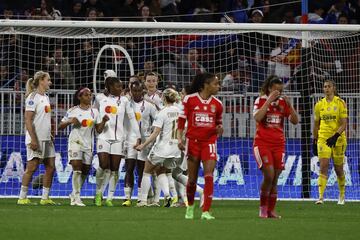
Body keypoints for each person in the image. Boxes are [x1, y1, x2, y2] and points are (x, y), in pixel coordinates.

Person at [177, 72, 223, 220]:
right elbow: (181, 121)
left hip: (209, 142)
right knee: (192, 180)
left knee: (209, 176)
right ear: (206, 85)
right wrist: (180, 139)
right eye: (215, 84)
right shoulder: (189, 100)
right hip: (193, 142)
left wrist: (219, 130)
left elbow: (218, 125)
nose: (218, 86)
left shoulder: (218, 104)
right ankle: (190, 207)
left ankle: (206, 211)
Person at [253, 75, 299, 218]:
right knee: (269, 175)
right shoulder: (260, 100)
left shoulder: (282, 103)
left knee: (275, 178)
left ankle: (271, 210)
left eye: (280, 90)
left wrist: (290, 106)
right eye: (276, 90)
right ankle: (262, 208)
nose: (278, 93)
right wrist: (268, 101)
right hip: (262, 143)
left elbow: (295, 121)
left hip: (279, 145)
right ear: (269, 89)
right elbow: (257, 118)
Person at [58, 87, 109, 206]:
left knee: (85, 170)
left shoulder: (95, 112)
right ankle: (76, 198)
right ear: (79, 97)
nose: (89, 97)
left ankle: (74, 193)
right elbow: (60, 126)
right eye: (86, 95)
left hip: (88, 144)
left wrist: (104, 121)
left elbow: (98, 130)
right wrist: (70, 121)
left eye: (90, 95)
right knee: (77, 167)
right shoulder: (73, 110)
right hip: (75, 142)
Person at [94, 77, 141, 207]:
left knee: (115, 169)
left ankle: (109, 197)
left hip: (118, 139)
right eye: (117, 87)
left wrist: (138, 136)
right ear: (109, 87)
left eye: (121, 87)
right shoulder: (99, 99)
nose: (120, 89)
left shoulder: (125, 101)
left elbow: (132, 118)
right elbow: (94, 115)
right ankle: (98, 193)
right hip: (103, 137)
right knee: (103, 165)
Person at [136, 88, 181, 207]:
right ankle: (167, 196)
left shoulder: (162, 112)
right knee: (162, 170)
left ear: (164, 98)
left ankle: (143, 201)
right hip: (176, 149)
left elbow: (155, 133)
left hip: (162, 148)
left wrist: (143, 145)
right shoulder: (180, 111)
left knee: (147, 170)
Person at [18, 71, 57, 205]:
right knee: (32, 167)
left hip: (46, 138)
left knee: (51, 167)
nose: (50, 82)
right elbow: (28, 120)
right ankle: (22, 197)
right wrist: (33, 139)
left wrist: (50, 133)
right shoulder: (32, 97)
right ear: (41, 80)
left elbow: (44, 118)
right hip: (36, 138)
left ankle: (45, 198)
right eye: (48, 80)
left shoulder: (45, 97)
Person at [122, 80, 157, 207]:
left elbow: (157, 122)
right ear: (130, 91)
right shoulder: (125, 104)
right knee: (129, 168)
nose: (136, 93)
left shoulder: (149, 106)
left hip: (144, 141)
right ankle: (127, 197)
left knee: (142, 170)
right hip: (129, 140)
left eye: (138, 90)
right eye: (134, 90)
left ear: (143, 91)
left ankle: (141, 197)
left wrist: (151, 135)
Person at [313, 80, 347, 205]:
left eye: (329, 87)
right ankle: (320, 197)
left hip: (338, 139)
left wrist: (335, 136)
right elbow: (316, 124)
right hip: (323, 139)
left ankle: (342, 195)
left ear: (334, 88)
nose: (326, 89)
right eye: (325, 87)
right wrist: (314, 139)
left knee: (339, 169)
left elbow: (344, 124)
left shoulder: (340, 103)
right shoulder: (319, 105)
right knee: (323, 166)